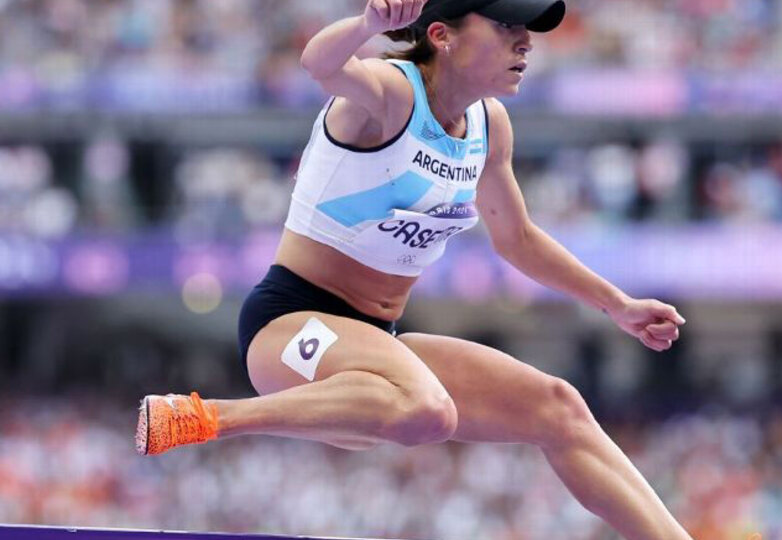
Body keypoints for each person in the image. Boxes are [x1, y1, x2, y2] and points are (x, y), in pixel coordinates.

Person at [136, 1, 691, 538]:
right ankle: (206, 417)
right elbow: (319, 64)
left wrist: (618, 305)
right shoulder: (391, 94)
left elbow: (518, 239)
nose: (525, 41)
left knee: (559, 409)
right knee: (427, 409)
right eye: (505, 25)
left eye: (526, 29)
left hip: (378, 345)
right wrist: (367, 25)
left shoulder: (489, 126)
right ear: (442, 36)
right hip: (290, 326)